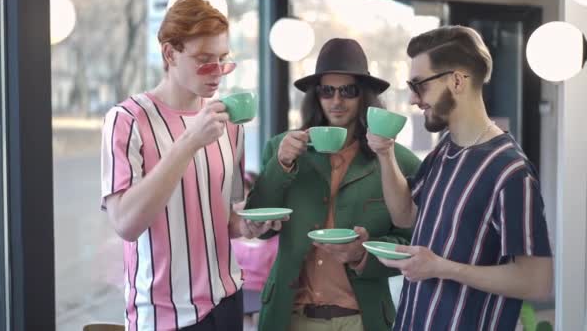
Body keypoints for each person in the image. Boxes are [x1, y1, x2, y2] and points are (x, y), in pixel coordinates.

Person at [100, 0, 279, 331]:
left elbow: (226, 219)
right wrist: (189, 142)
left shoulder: (230, 124)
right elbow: (125, 223)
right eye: (203, 60)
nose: (217, 73)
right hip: (161, 313)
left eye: (222, 60)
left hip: (227, 300)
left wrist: (248, 226)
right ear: (170, 54)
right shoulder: (127, 120)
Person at [367, 25, 553, 330]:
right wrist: (385, 154)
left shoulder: (510, 172)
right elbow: (405, 215)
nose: (414, 99)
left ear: (456, 81)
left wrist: (441, 268)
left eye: (419, 85)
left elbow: (536, 281)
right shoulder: (444, 150)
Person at [244, 38, 421, 331]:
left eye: (348, 91)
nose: (336, 101)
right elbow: (259, 224)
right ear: (316, 96)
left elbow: (410, 242)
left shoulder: (397, 161)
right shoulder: (282, 148)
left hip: (360, 319)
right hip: (289, 317)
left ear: (363, 96)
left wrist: (363, 254)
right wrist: (282, 163)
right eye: (327, 91)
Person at [230, 171, 279, 331]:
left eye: (241, 197)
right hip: (234, 297)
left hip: (263, 299)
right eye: (233, 199)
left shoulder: (271, 235)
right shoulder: (224, 234)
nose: (236, 205)